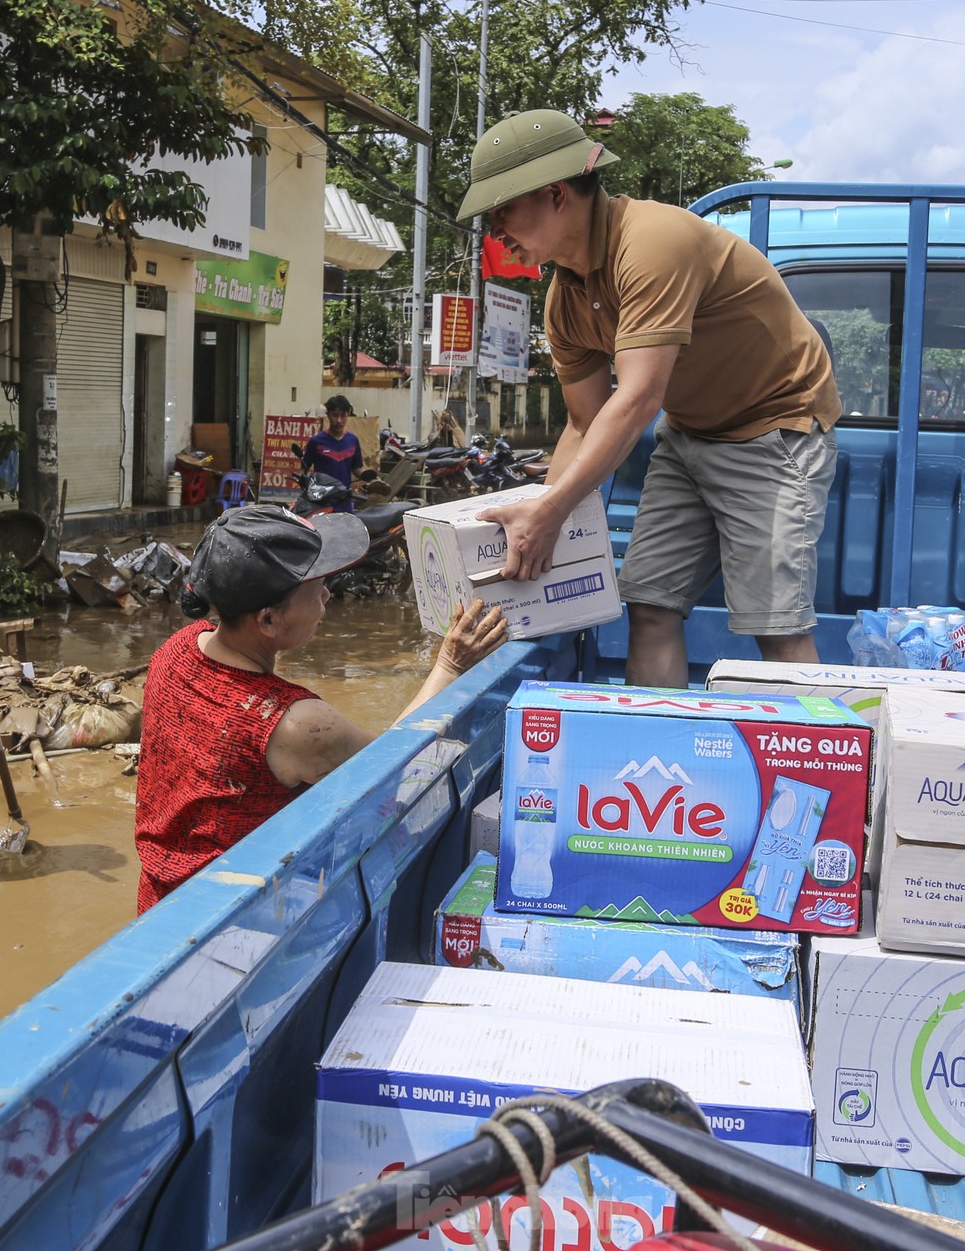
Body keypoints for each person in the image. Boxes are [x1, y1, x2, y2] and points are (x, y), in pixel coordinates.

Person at [456, 109, 841, 689]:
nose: (496, 230)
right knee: (650, 603)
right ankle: (659, 741)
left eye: (502, 210)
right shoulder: (565, 298)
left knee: (775, 626)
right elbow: (584, 421)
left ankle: (813, 748)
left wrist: (553, 511)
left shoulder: (652, 242)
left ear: (556, 194)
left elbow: (638, 397)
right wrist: (538, 512)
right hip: (688, 434)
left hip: (774, 429)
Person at [135, 505, 507, 913]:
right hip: (233, 919)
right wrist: (449, 666)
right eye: (316, 591)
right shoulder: (295, 724)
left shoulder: (178, 647)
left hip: (160, 901)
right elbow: (393, 769)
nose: (327, 596)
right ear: (268, 621)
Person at [300, 393, 363, 513]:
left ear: (348, 415)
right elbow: (304, 469)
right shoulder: (316, 441)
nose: (339, 420)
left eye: (343, 416)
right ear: (328, 415)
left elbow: (357, 469)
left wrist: (371, 479)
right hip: (321, 502)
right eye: (335, 415)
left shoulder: (353, 441)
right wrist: (305, 483)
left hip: (344, 502)